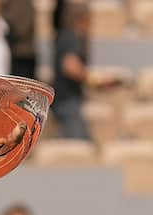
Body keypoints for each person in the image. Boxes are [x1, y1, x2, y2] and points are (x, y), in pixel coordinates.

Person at [52, 2, 92, 140]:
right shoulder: (72, 37)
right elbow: (70, 66)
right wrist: (93, 79)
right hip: (67, 101)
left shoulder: (63, 35)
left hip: (65, 99)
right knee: (79, 143)